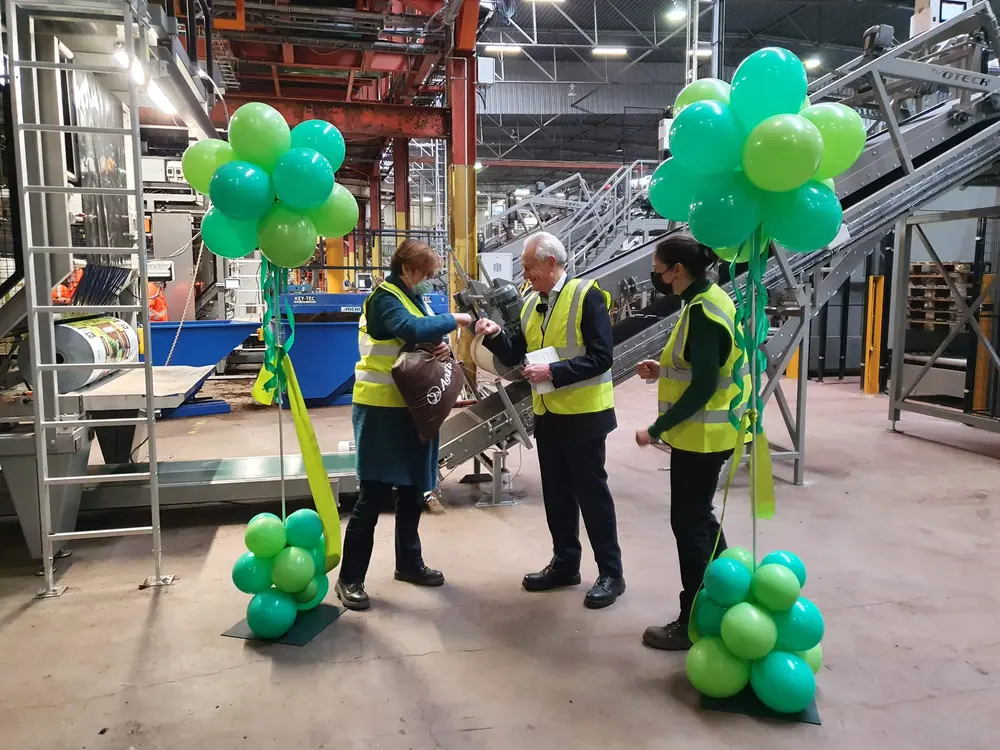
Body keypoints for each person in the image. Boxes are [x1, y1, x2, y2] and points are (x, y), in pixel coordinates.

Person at [476, 232, 625, 609]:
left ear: (551, 264)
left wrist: (553, 372)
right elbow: (517, 355)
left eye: (529, 266)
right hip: (548, 415)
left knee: (592, 498)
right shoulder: (530, 304)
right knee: (557, 497)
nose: (524, 274)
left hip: (585, 415)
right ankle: (565, 564)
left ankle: (611, 573)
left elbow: (602, 357)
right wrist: (493, 335)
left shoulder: (586, 295)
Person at [335, 239, 474, 611]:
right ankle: (350, 579)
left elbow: (424, 334)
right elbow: (409, 328)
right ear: (407, 270)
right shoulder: (384, 298)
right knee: (373, 496)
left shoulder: (414, 295)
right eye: (427, 274)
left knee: (413, 490)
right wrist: (457, 320)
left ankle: (409, 564)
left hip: (413, 408)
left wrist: (442, 345)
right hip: (381, 410)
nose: (431, 281)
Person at [634, 233, 751, 650]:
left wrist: (658, 427)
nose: (655, 275)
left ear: (676, 271)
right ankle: (731, 589)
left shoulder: (703, 311)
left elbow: (703, 387)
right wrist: (661, 371)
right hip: (708, 433)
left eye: (657, 267)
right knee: (700, 518)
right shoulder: (706, 300)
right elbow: (698, 367)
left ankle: (692, 621)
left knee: (688, 524)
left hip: (703, 437)